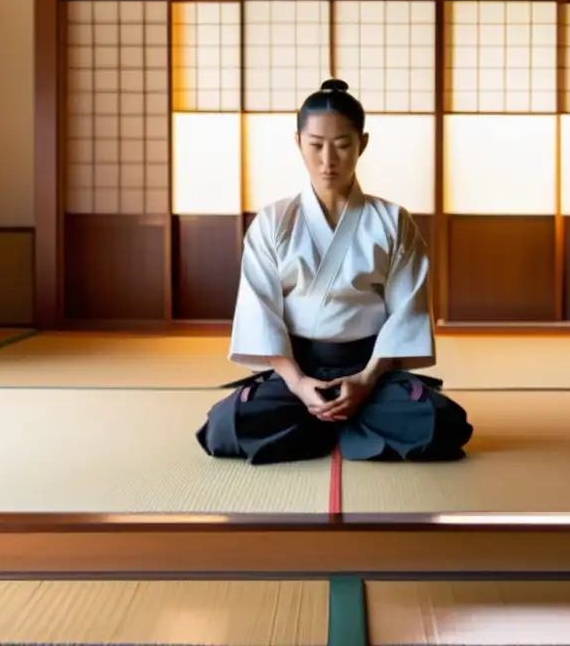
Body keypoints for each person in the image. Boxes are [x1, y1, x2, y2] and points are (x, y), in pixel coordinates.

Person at [196, 78, 473, 465]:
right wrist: (297, 383)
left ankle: (334, 419)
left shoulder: (392, 221)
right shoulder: (275, 221)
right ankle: (334, 417)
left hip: (371, 369)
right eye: (315, 145)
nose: (328, 160)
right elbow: (261, 312)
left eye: (342, 145)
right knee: (228, 425)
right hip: (299, 368)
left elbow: (406, 312)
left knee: (441, 425)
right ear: (298, 143)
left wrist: (366, 380)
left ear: (363, 143)